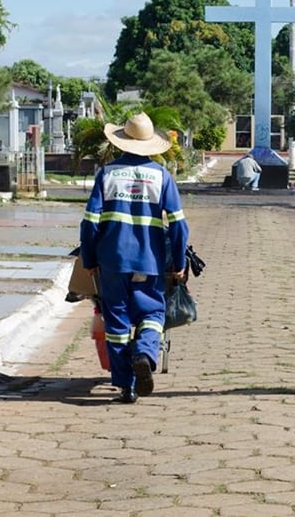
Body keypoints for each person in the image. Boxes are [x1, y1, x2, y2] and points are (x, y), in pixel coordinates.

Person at [80, 112, 189, 404]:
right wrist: (179, 262)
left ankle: (126, 386)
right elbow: (178, 225)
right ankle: (144, 352)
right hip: (150, 261)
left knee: (116, 322)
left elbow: (90, 222)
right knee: (152, 314)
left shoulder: (107, 174)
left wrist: (89, 257)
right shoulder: (162, 176)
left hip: (113, 261)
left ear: (121, 142)